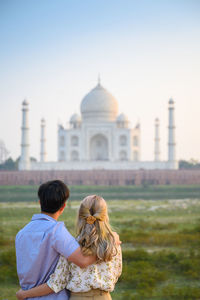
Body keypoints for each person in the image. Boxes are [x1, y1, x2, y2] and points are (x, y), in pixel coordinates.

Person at [16, 195, 122, 300]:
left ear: (80, 216)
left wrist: (24, 294)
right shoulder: (113, 243)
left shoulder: (72, 247)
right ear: (105, 216)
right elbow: (117, 272)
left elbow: (56, 283)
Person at [15, 180, 96, 300]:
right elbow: (83, 261)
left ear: (39, 203)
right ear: (63, 206)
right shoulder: (56, 231)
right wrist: (108, 246)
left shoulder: (21, 233)